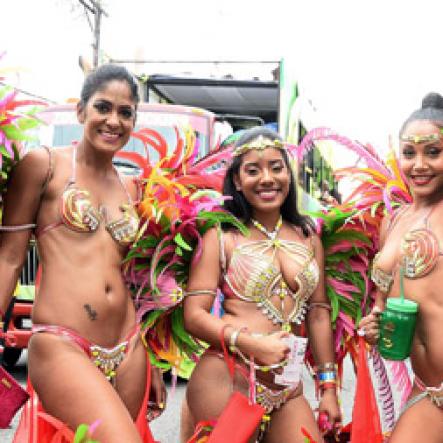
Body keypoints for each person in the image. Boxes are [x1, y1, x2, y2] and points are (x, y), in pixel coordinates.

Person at [0, 64, 164, 442]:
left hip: (129, 348)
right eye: (103, 107)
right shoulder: (45, 166)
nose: (114, 121)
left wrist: (153, 355)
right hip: (62, 343)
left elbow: (136, 280)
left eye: (126, 113)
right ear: (81, 111)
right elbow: (9, 258)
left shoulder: (134, 188)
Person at [182, 127, 341, 442]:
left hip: (287, 388)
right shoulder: (221, 236)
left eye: (276, 167)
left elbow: (319, 312)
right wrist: (253, 344)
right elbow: (194, 316)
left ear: (288, 174)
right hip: (228, 378)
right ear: (238, 181)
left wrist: (328, 387)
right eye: (253, 170)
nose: (267, 178)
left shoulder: (308, 237)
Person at [359, 92, 443, 442]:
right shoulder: (393, 221)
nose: (419, 165)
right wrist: (375, 323)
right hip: (427, 387)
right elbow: (383, 301)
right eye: (410, 153)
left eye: (433, 152)